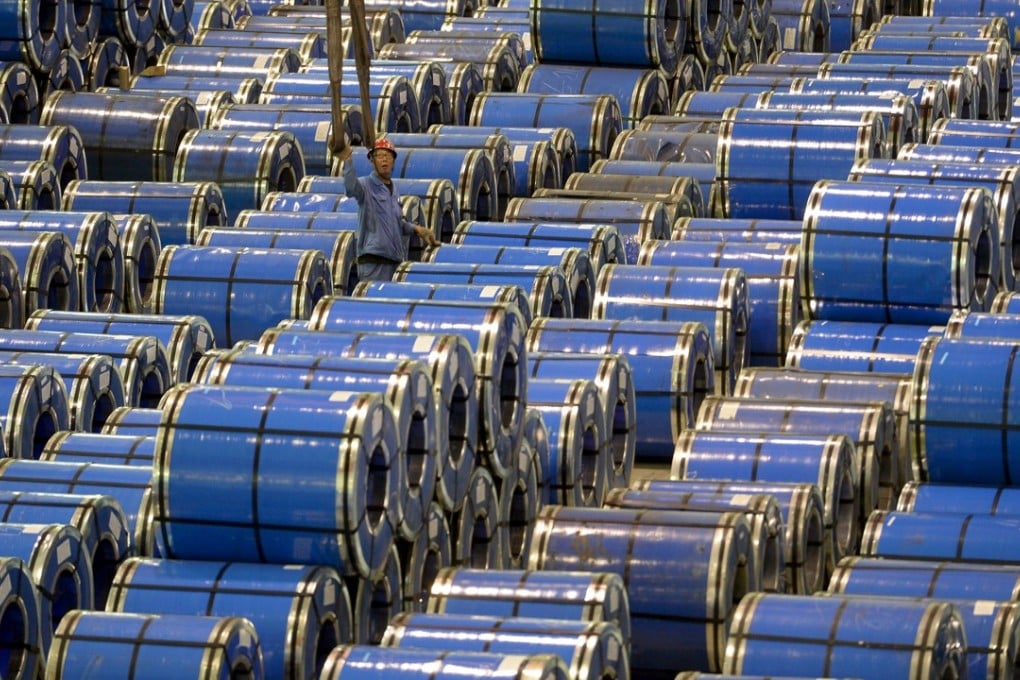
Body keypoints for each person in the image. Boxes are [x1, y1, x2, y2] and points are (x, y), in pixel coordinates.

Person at [337, 138, 440, 282]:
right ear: (372, 161)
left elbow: (396, 223)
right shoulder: (366, 185)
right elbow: (350, 188)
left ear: (393, 161)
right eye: (379, 155)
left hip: (394, 263)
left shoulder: (395, 191)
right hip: (373, 263)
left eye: (388, 155)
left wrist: (418, 229)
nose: (384, 159)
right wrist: (348, 161)